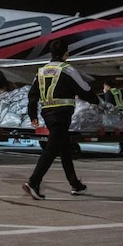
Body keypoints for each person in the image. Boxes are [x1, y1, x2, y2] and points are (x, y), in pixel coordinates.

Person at [22, 39, 91, 200]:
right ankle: (33, 182)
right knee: (52, 149)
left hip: (47, 114)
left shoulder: (41, 71)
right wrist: (96, 101)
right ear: (66, 53)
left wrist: (32, 115)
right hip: (61, 115)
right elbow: (84, 89)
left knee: (64, 148)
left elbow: (32, 95)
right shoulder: (67, 69)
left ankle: (75, 184)